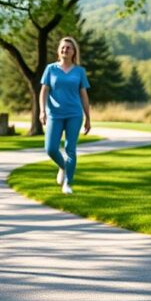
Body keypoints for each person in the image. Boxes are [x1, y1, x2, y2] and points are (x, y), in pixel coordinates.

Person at [39, 36, 91, 194]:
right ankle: (63, 166)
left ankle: (67, 183)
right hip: (54, 114)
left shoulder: (79, 71)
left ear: (74, 51)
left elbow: (83, 95)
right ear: (58, 50)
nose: (65, 50)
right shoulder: (51, 69)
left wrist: (88, 118)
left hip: (74, 114)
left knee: (70, 148)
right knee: (51, 148)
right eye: (63, 47)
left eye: (68, 48)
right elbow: (44, 91)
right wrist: (42, 111)